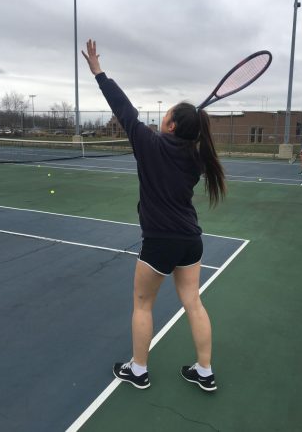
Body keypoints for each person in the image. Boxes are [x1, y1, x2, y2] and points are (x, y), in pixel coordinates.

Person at [82, 40, 226, 392]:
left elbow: (124, 109)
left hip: (160, 242)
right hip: (191, 241)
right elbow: (133, 114)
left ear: (173, 125)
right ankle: (204, 371)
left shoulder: (150, 146)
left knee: (143, 305)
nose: (161, 118)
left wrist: (100, 74)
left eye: (167, 114)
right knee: (193, 302)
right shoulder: (196, 157)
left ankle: (139, 369)